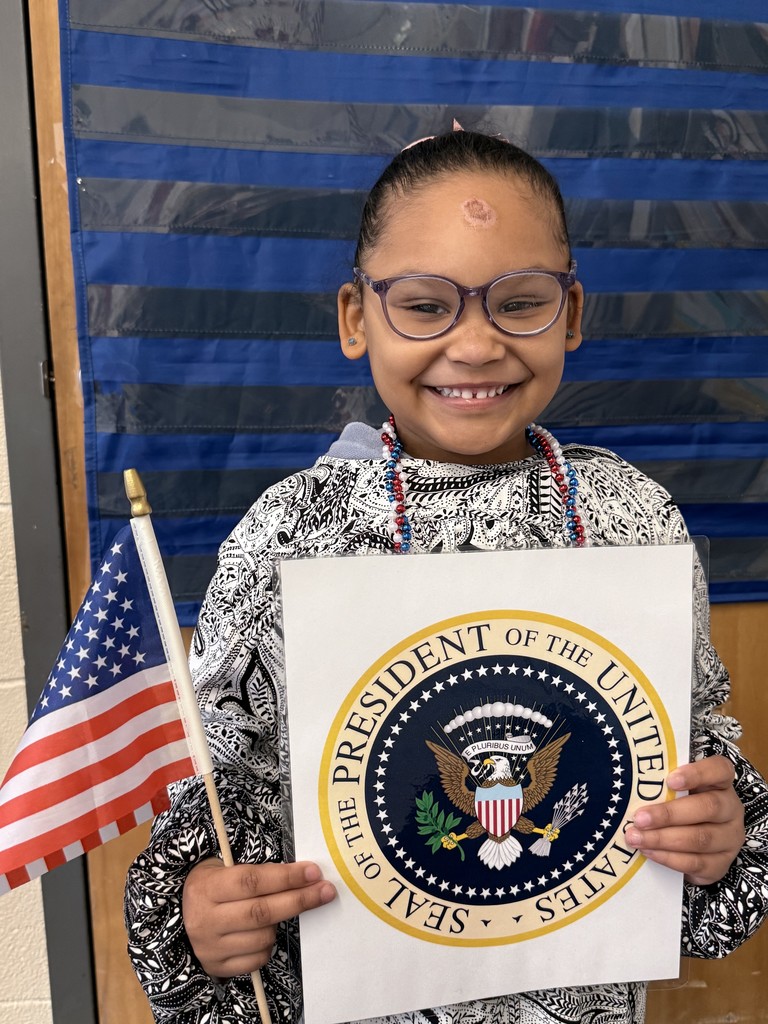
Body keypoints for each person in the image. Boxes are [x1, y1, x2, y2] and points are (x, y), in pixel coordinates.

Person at [125, 128, 768, 1024]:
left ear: (573, 315)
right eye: (425, 306)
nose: (474, 346)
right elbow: (220, 800)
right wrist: (201, 913)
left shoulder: (635, 520)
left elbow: (698, 759)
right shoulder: (288, 535)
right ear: (357, 318)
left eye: (521, 302)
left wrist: (716, 836)